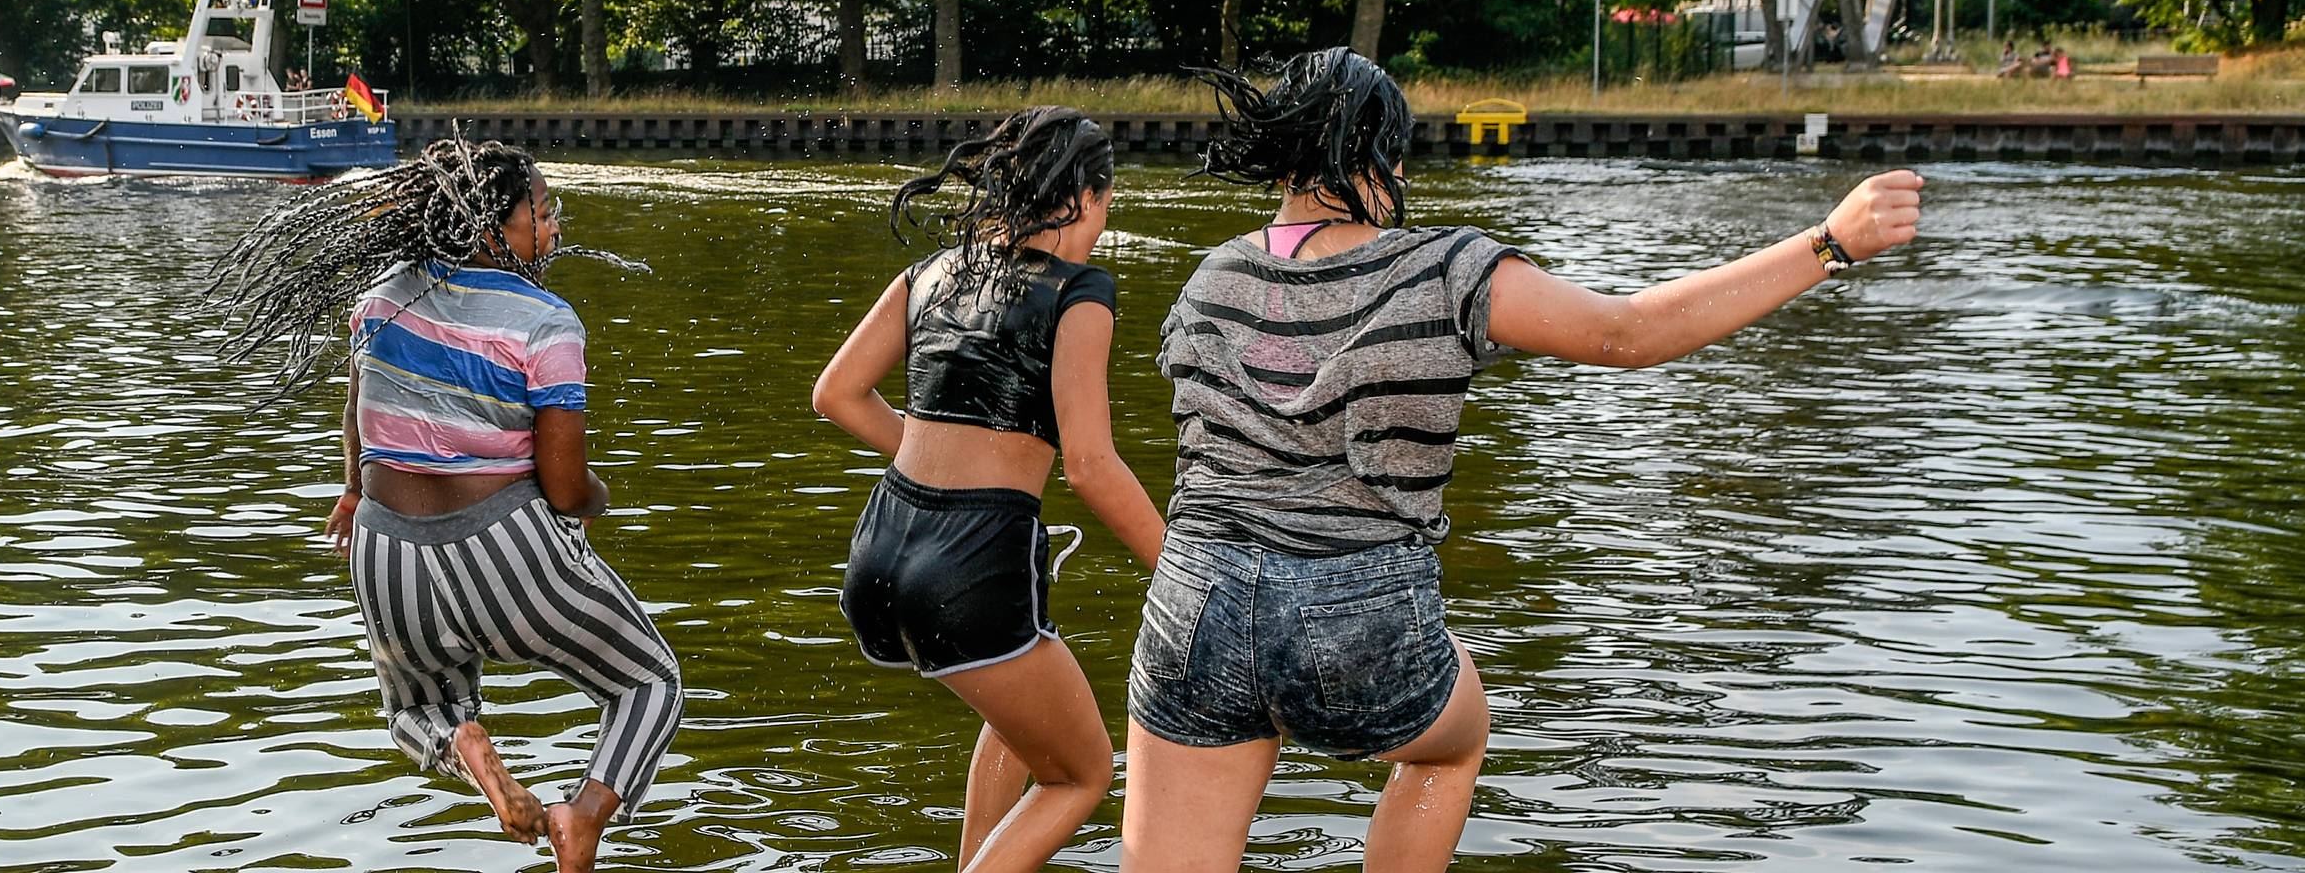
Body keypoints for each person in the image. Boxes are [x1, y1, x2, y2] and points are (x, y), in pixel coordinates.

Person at [1119, 49, 1924, 873]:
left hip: (1195, 597)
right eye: (1397, 157)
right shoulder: (1443, 267)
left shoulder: (1212, 276)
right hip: (1355, 608)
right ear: (1376, 157)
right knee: (1448, 745)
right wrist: (1830, 244)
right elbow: (1626, 334)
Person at [205, 139, 676, 873]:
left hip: (383, 551)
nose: (554, 231)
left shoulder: (380, 299)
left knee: (413, 713)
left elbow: (356, 415)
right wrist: (598, 500)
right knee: (650, 683)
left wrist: (355, 492)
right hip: (508, 554)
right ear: (493, 229)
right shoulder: (547, 322)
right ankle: (582, 822)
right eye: (543, 215)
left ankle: (466, 745)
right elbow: (564, 486)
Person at [814, 107, 1168, 873]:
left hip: (879, 553)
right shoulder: (1082, 291)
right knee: (1082, 772)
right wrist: (1181, 572)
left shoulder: (932, 272)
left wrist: (932, 452)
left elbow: (836, 393)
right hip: (971, 566)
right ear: (1090, 195)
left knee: (1021, 716)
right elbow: (1090, 466)